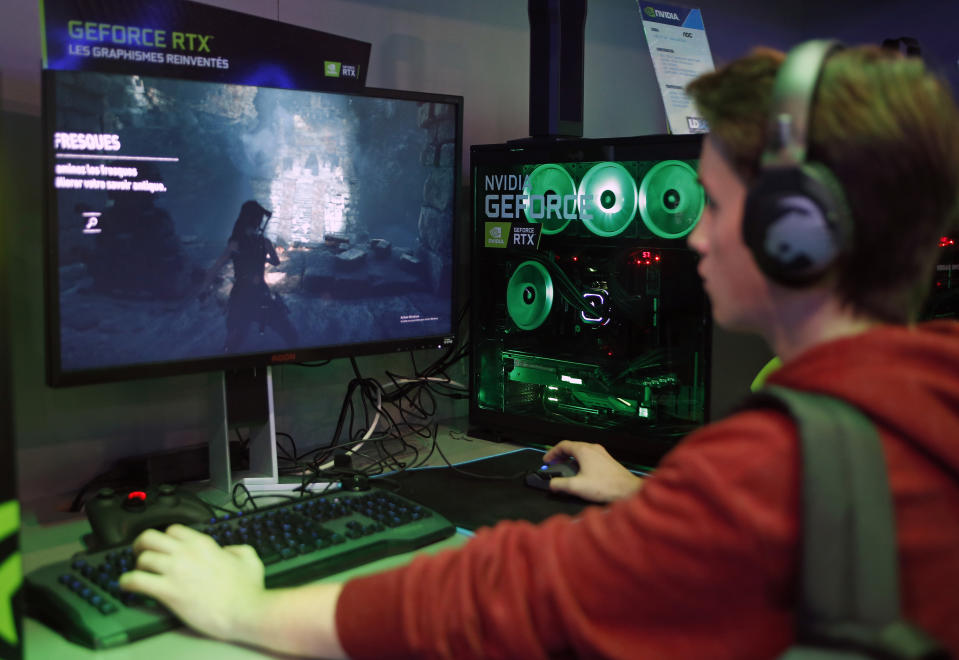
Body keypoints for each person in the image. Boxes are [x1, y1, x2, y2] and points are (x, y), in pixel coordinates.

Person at [119, 42, 959, 658]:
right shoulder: (916, 399)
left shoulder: (774, 460)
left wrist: (245, 612)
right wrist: (645, 501)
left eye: (711, 200)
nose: (691, 234)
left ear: (795, 233)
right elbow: (786, 538)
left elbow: (509, 596)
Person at [201, 200, 299, 353]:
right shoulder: (264, 242)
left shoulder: (235, 244)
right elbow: (276, 261)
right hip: (259, 293)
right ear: (257, 221)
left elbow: (214, 269)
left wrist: (204, 290)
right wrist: (264, 258)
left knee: (234, 339)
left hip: (241, 294)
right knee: (288, 332)